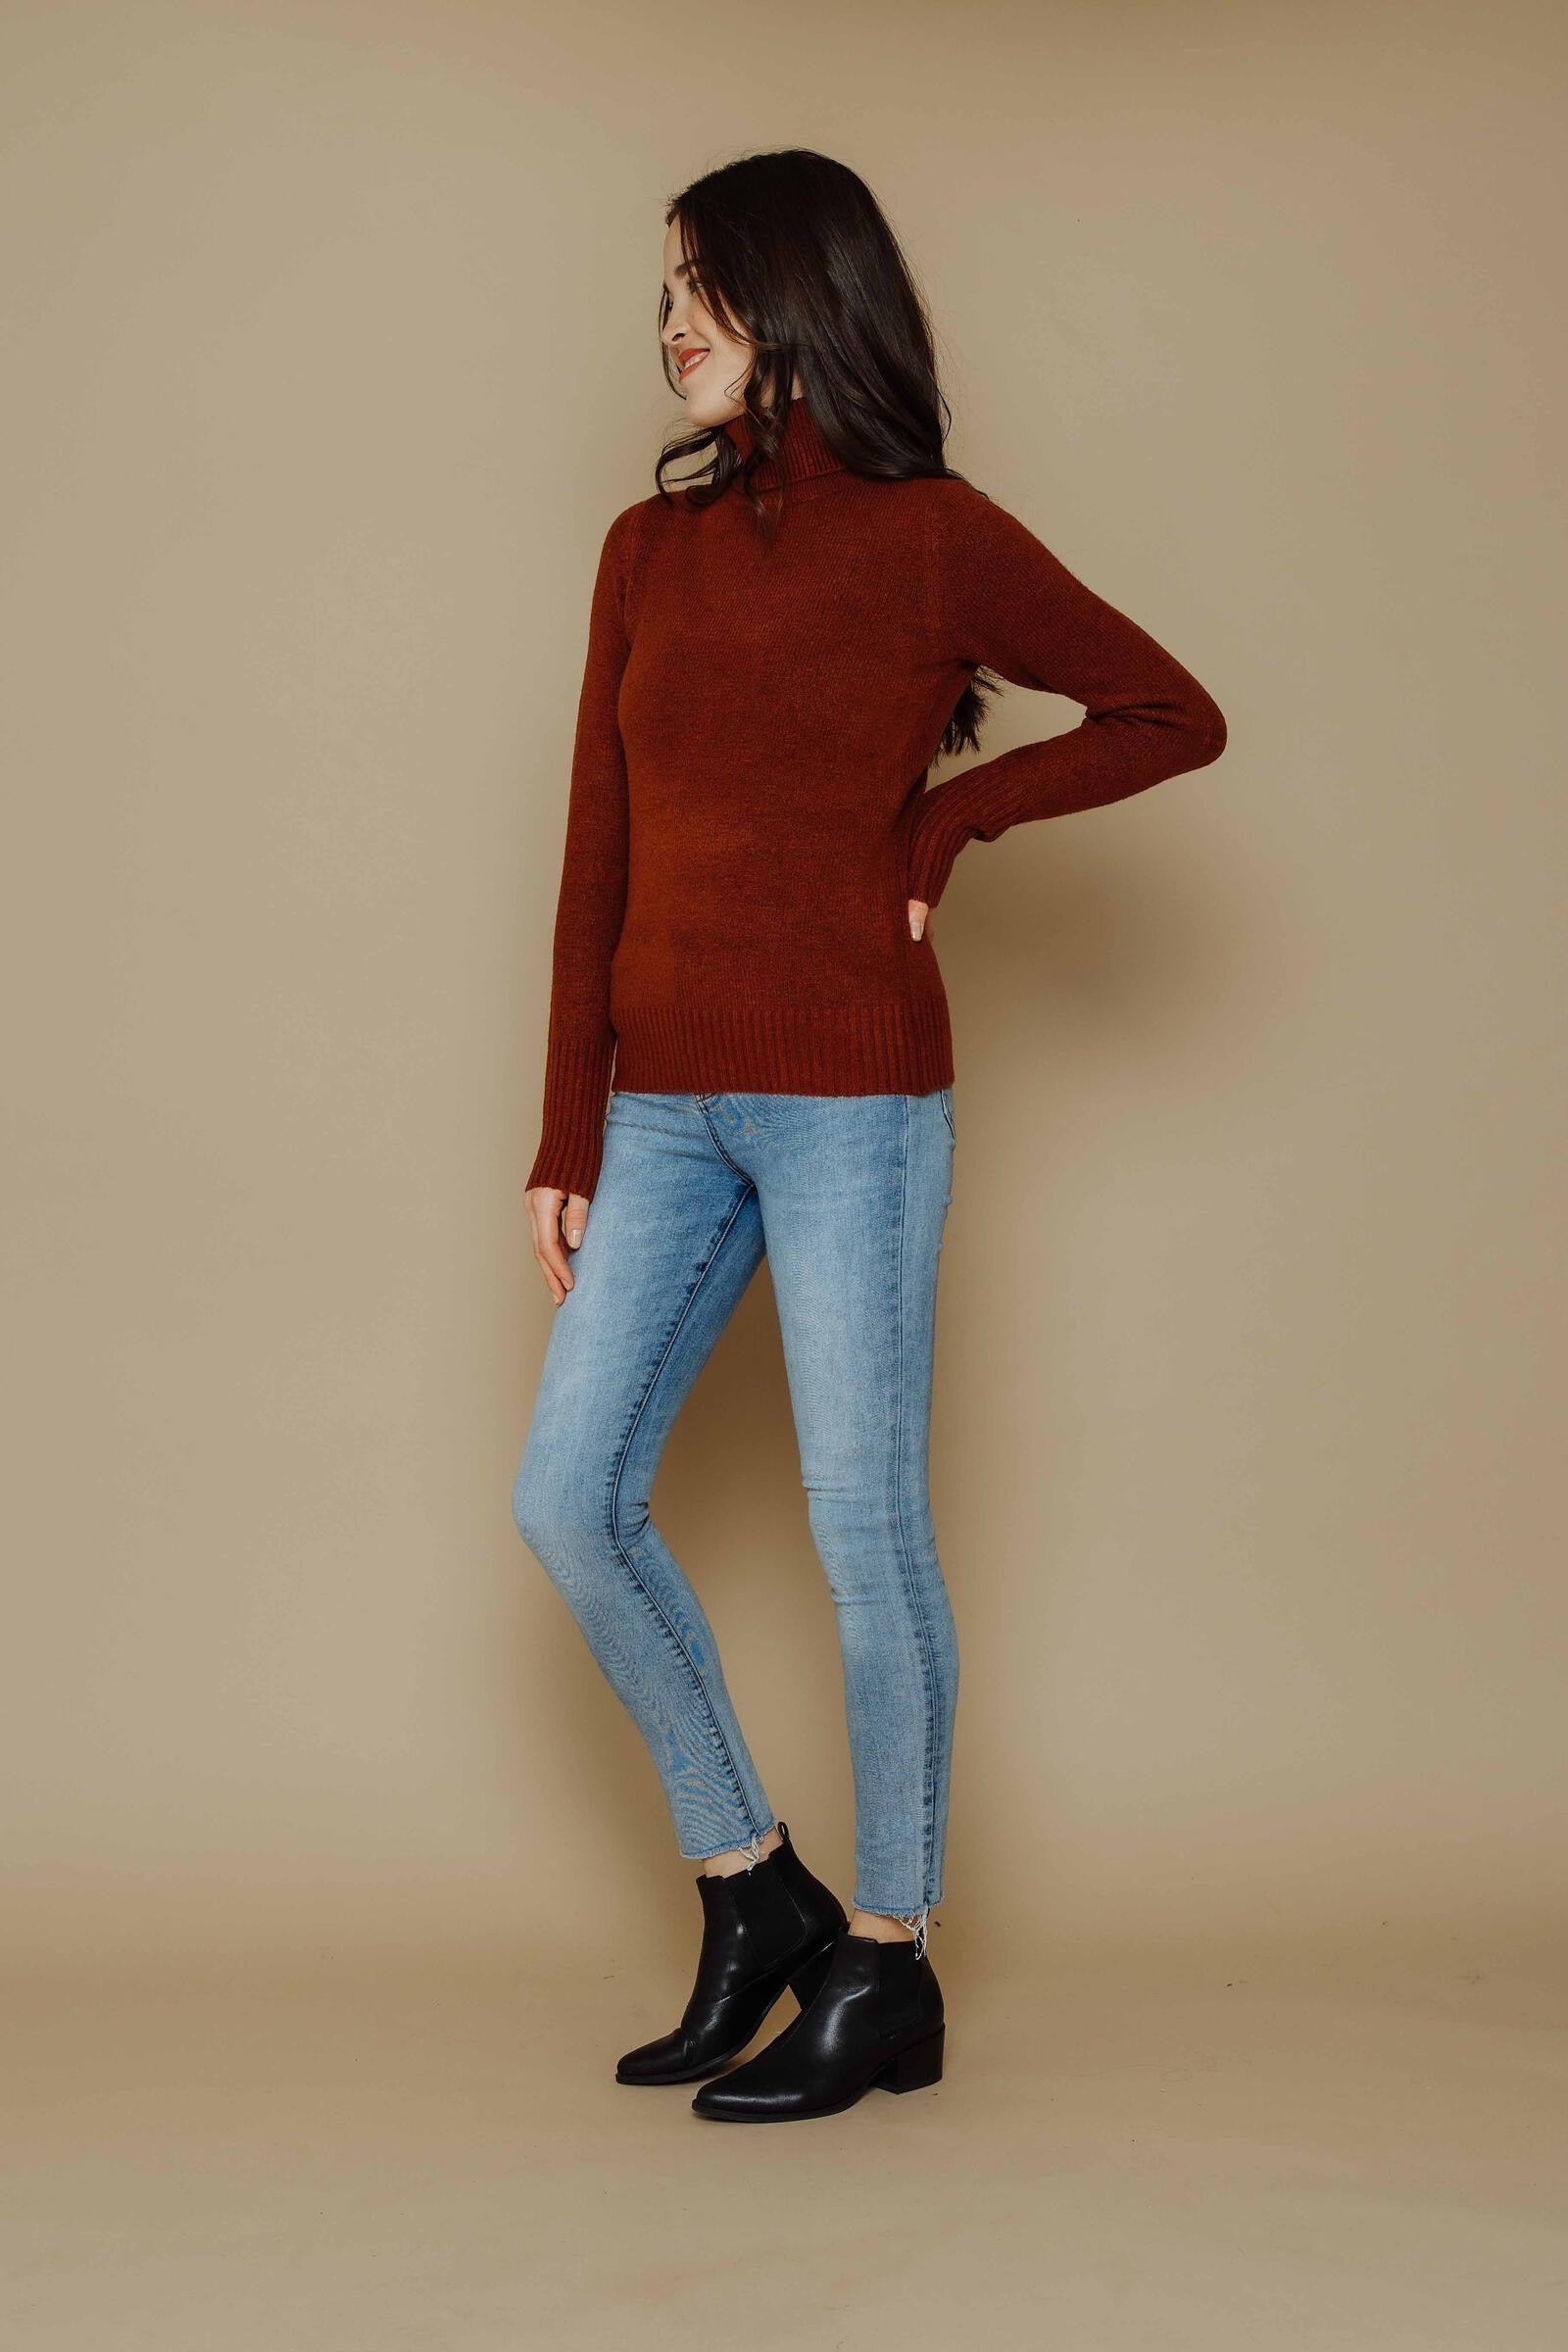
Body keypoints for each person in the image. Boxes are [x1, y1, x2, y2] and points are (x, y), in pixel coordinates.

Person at [512, 147, 1227, 2125]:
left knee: (860, 1526)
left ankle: (889, 1957)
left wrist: (944, 820)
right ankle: (755, 1887)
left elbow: (1169, 710)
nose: (672, 325)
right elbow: (595, 849)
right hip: (660, 1107)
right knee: (569, 1499)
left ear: (799, 300)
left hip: (854, 1103)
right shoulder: (642, 554)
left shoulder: (930, 540)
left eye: (706, 289)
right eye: (666, 291)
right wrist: (566, 1129)